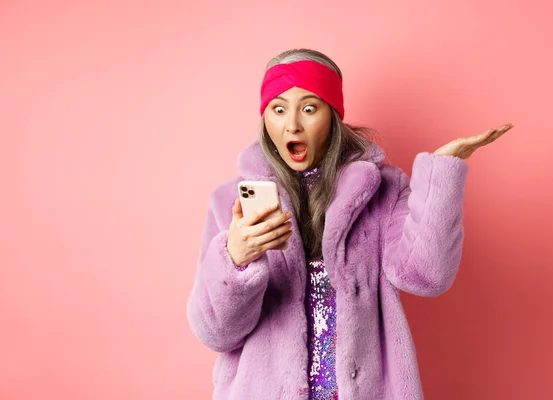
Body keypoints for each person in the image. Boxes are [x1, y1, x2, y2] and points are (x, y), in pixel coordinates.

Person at [186, 48, 513, 400]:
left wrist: (441, 174)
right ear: (265, 118)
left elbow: (427, 276)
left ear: (333, 116)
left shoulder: (381, 190)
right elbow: (215, 333)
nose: (292, 124)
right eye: (278, 110)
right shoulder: (228, 203)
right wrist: (235, 259)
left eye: (309, 108)